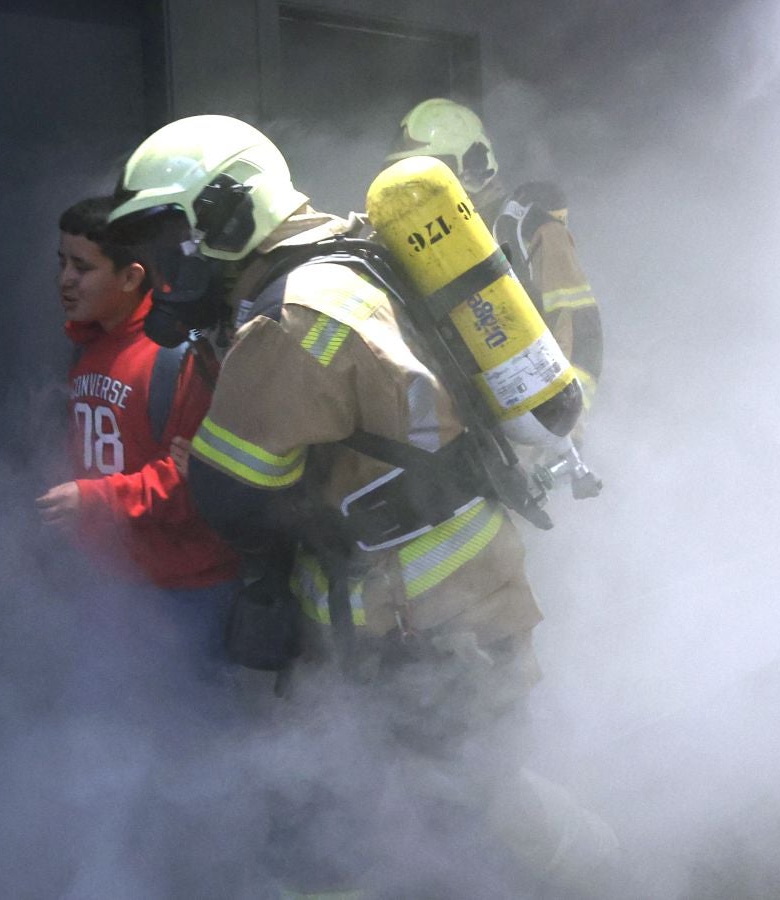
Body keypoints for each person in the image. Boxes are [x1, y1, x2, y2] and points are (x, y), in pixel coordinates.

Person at [106, 116, 618, 897]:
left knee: (436, 813)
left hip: (415, 620)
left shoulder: (287, 322)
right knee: (462, 796)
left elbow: (232, 497)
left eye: (168, 236)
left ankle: (597, 870)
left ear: (227, 215)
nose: (158, 265)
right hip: (463, 597)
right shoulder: (350, 259)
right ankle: (596, 861)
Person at [35, 196, 240, 664]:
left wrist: (95, 500)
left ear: (131, 277)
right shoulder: (88, 345)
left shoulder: (176, 356)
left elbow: (196, 482)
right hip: (113, 586)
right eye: (62, 262)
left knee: (184, 730)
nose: (65, 279)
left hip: (186, 595)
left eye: (82, 267)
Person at [389, 98, 604, 430]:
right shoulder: (434, 244)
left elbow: (578, 323)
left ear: (473, 164)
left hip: (543, 424)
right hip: (484, 426)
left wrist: (564, 424)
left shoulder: (526, 226)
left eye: (431, 170)